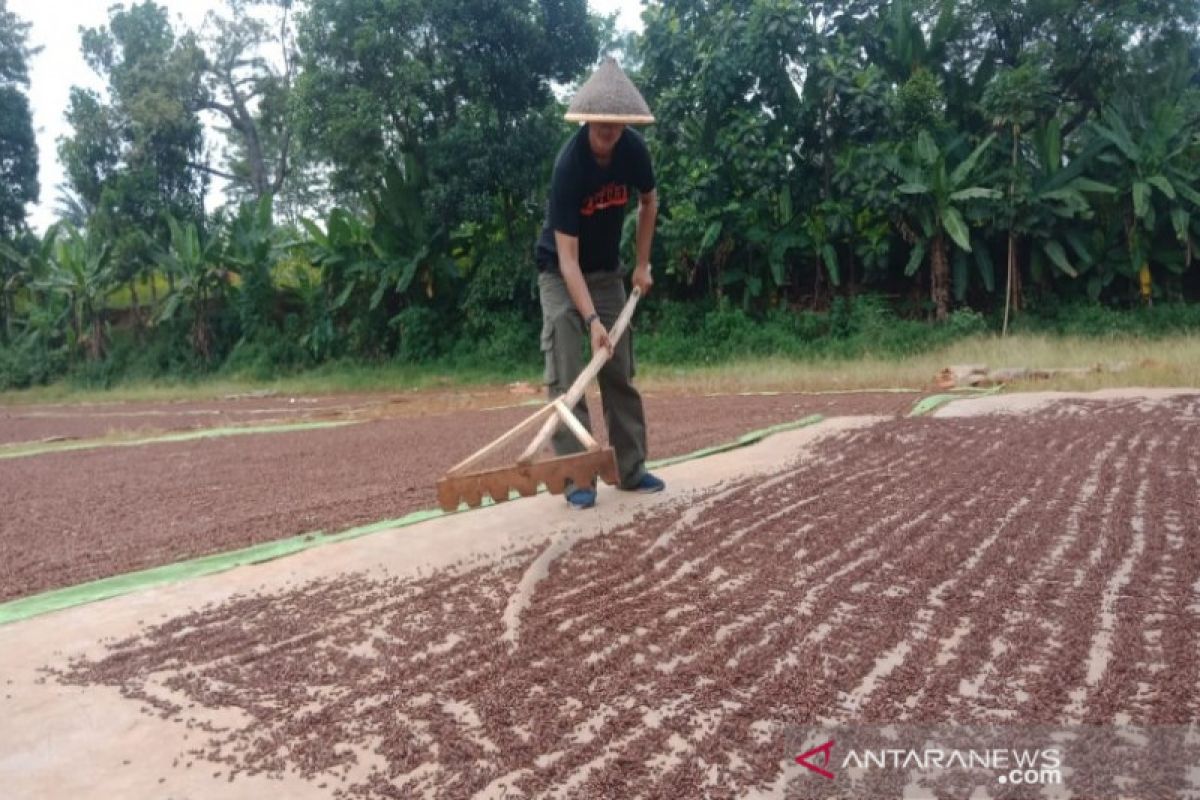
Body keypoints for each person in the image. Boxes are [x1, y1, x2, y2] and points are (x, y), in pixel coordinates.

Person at [534, 58, 665, 510]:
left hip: (607, 273)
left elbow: (650, 201)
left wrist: (642, 264)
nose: (608, 130)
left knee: (618, 369)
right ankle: (577, 476)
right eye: (601, 123)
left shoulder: (633, 152)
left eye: (616, 123)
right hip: (560, 272)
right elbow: (567, 259)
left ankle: (630, 470)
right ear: (587, 119)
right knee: (570, 372)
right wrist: (589, 318)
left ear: (625, 122)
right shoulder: (569, 166)